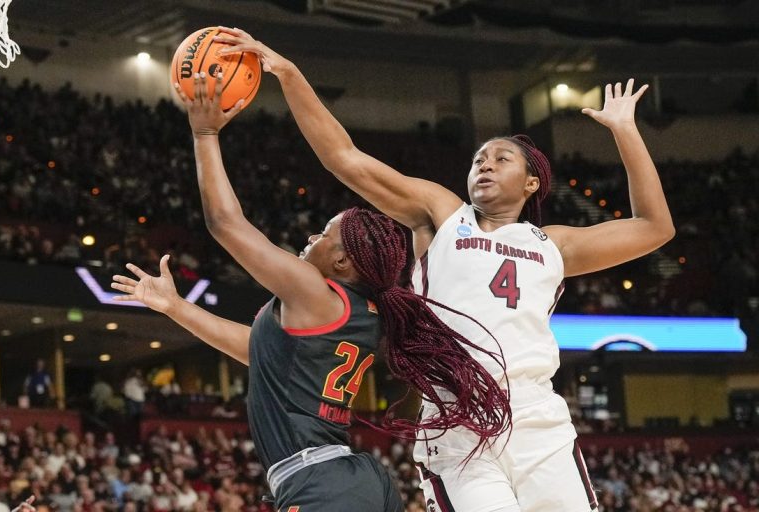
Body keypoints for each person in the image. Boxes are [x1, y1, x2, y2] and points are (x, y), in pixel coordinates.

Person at [213, 28, 675, 512]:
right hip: (457, 419)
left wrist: (625, 132)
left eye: (502, 159)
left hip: (539, 417)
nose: (485, 165)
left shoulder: (555, 243)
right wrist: (289, 74)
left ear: (531, 182)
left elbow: (653, 227)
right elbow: (344, 159)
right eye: (479, 158)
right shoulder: (442, 214)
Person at [111, 72, 511, 512]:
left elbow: (226, 224)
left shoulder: (314, 292)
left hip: (321, 483)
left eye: (324, 234)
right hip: (352, 479)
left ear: (342, 262)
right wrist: (176, 307)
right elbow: (259, 351)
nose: (310, 239)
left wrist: (204, 134)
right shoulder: (361, 310)